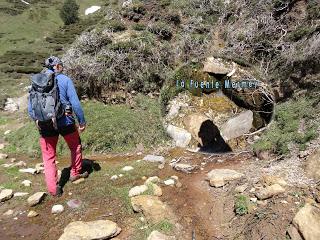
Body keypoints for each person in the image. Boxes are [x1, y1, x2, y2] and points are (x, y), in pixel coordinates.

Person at [28, 56, 88, 196]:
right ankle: (75, 173)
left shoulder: (36, 82)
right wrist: (82, 121)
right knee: (75, 146)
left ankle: (54, 189)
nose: (62, 66)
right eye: (61, 64)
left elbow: (31, 108)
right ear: (58, 66)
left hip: (45, 124)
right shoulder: (65, 80)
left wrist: (36, 120)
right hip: (65, 121)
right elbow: (76, 104)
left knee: (49, 157)